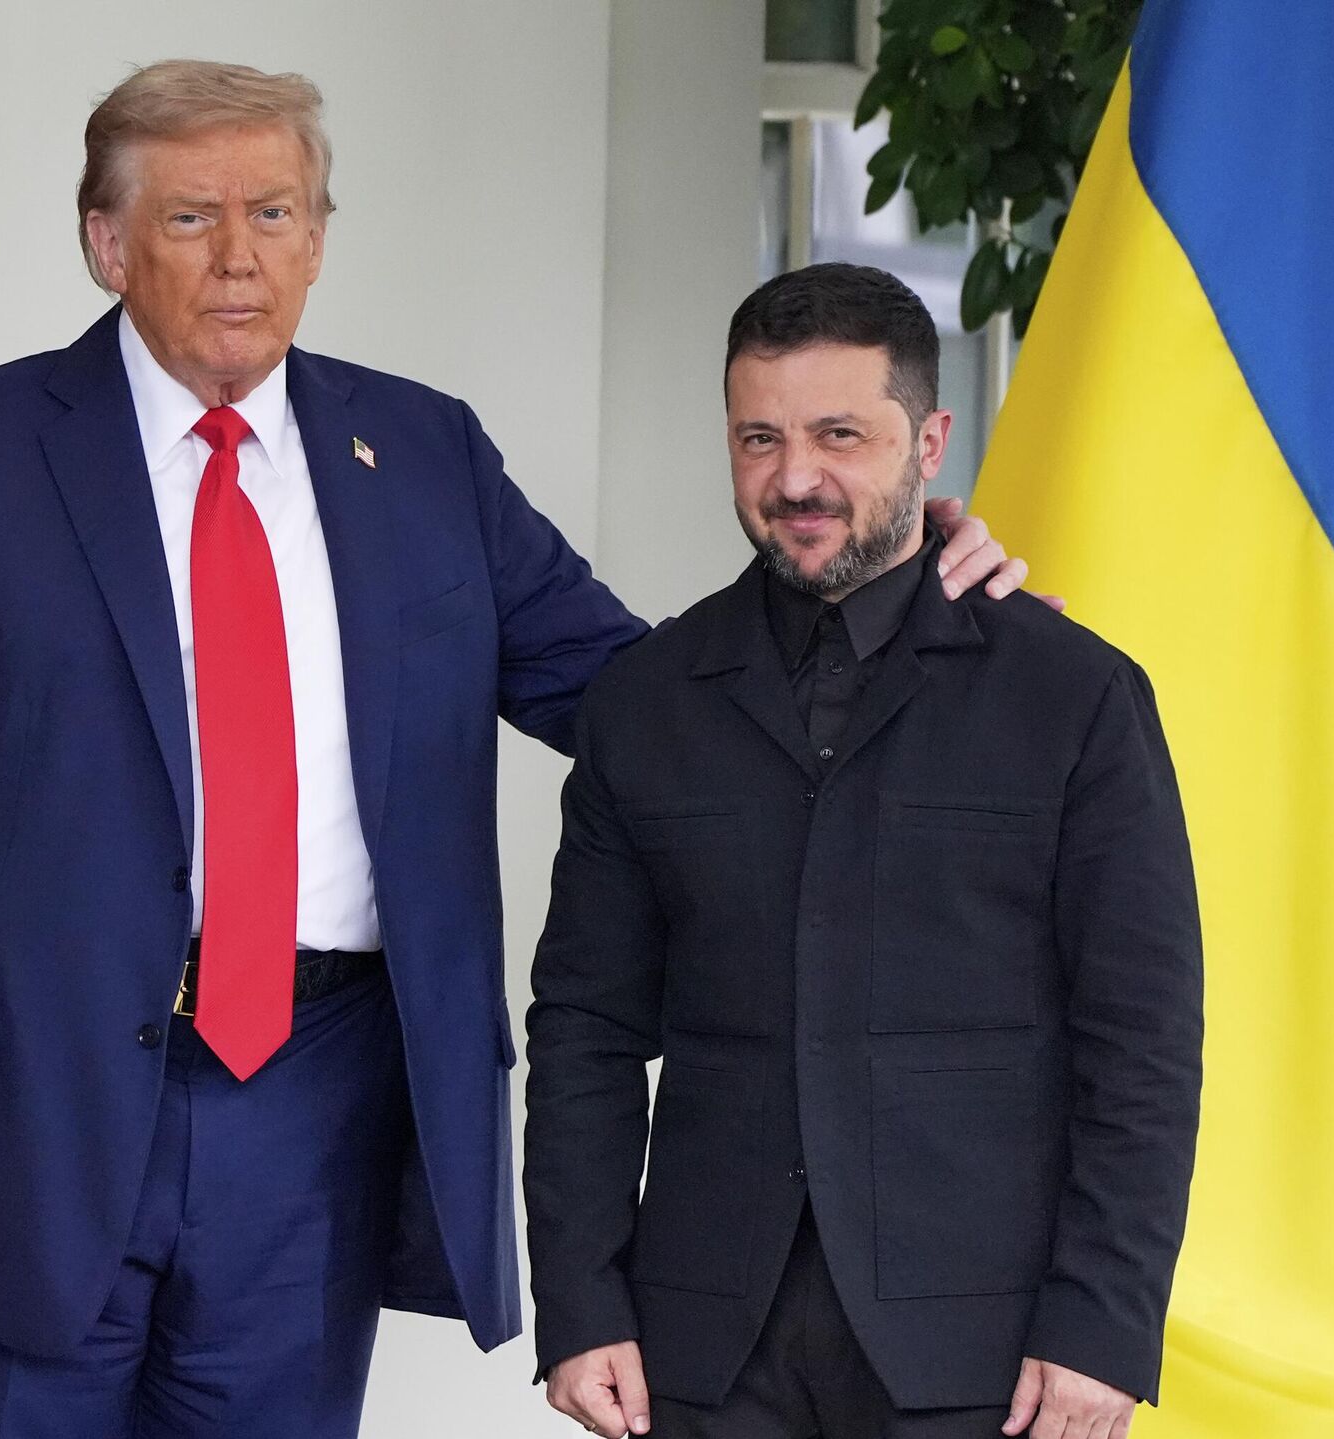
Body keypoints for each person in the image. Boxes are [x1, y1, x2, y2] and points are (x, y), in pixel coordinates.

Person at [0, 66, 1027, 1438]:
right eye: (192, 217)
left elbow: (650, 702)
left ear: (320, 238)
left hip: (315, 1105)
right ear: (106, 242)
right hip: (21, 1121)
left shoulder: (424, 451)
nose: (242, 255)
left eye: (276, 212)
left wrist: (893, 575)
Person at [525, 263, 1203, 1439]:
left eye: (840, 434)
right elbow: (585, 1026)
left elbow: (1141, 1037)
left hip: (987, 1353)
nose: (796, 478)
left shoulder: (1075, 698)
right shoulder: (645, 700)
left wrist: (1102, 1320)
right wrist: (580, 1300)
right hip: (702, 1351)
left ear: (930, 441)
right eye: (760, 438)